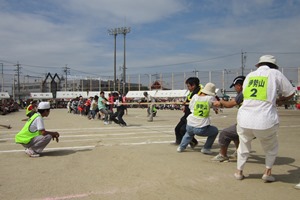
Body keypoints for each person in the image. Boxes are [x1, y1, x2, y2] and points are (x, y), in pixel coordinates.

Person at [234, 55, 295, 182]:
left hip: (244, 117)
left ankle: (239, 172)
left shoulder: (250, 75)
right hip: (265, 119)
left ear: (259, 65)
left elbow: (245, 94)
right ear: (273, 65)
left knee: (243, 146)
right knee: (271, 147)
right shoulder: (275, 73)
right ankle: (267, 172)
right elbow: (290, 93)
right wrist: (279, 100)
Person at [177, 83, 219, 154]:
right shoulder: (211, 98)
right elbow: (216, 107)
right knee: (215, 131)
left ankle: (181, 147)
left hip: (190, 123)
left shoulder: (195, 96)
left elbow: (190, 107)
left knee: (188, 134)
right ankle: (206, 148)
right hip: (201, 126)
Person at [211, 76, 245, 162]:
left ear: (239, 85)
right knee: (235, 135)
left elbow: (230, 104)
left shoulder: (244, 93)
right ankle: (238, 153)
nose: (235, 88)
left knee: (225, 134)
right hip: (261, 123)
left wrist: (221, 102)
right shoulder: (253, 92)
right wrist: (222, 104)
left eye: (235, 86)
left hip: (248, 124)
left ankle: (223, 155)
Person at [172, 77, 200, 147]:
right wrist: (184, 105)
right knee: (177, 128)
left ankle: (193, 142)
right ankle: (179, 142)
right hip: (186, 114)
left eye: (188, 86)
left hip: (192, 115)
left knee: (183, 129)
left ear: (193, 85)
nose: (188, 88)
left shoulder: (199, 93)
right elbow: (188, 102)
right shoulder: (191, 93)